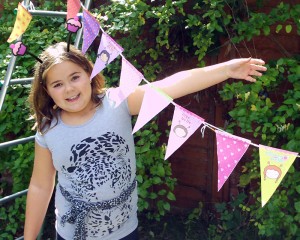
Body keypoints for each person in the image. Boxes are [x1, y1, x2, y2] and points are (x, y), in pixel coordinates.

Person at [24, 42, 267, 240]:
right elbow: (41, 185)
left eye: (74, 77)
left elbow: (171, 85)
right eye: (57, 84)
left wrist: (225, 70)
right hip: (71, 233)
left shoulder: (118, 102)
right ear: (47, 91)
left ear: (90, 73)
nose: (68, 89)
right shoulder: (48, 130)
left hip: (124, 231)